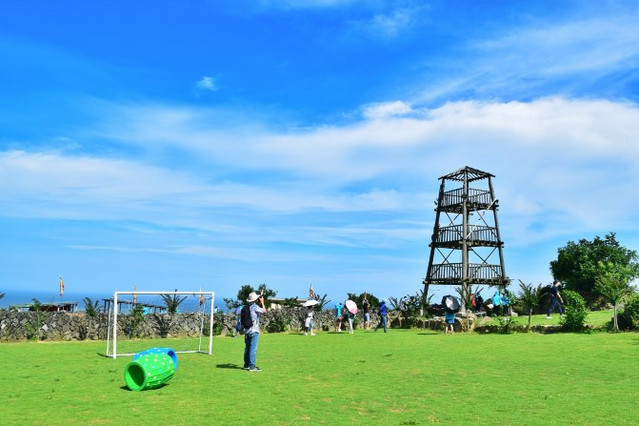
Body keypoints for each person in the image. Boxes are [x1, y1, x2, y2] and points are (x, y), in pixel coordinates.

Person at [243, 292, 266, 372]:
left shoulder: (246, 307)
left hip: (247, 330)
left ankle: (246, 365)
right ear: (255, 300)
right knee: (253, 349)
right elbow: (264, 311)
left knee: (247, 348)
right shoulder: (255, 307)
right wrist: (262, 302)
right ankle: (252, 366)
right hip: (254, 330)